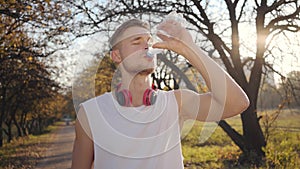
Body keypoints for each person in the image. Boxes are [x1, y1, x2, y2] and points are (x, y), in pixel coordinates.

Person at [71, 16, 249, 169]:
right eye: (136, 41)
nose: (147, 46)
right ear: (116, 56)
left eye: (148, 41)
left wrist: (189, 48)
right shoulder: (90, 113)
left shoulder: (177, 102)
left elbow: (238, 103)